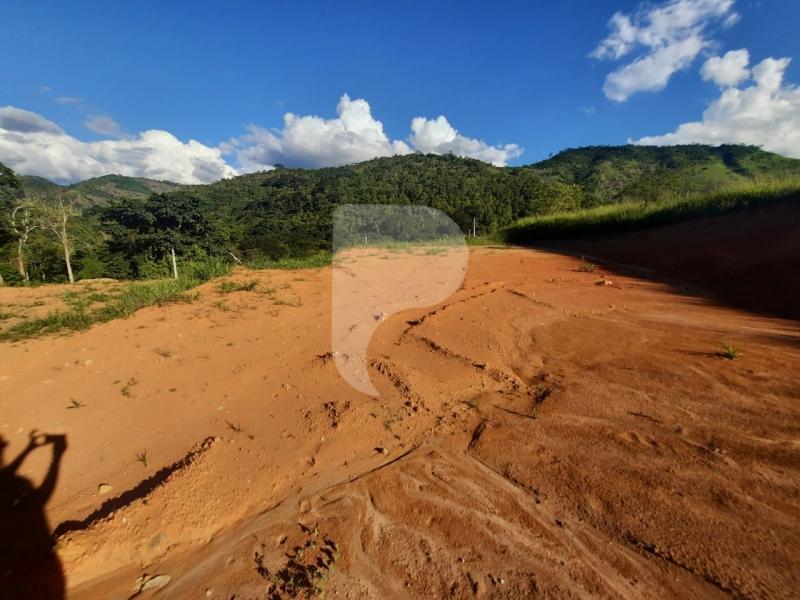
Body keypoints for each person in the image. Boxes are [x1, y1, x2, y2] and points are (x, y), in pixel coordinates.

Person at [0, 431, 67, 599]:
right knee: (35, 501)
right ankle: (58, 452)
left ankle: (58, 451)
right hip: (29, 560)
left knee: (35, 500)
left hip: (28, 561)